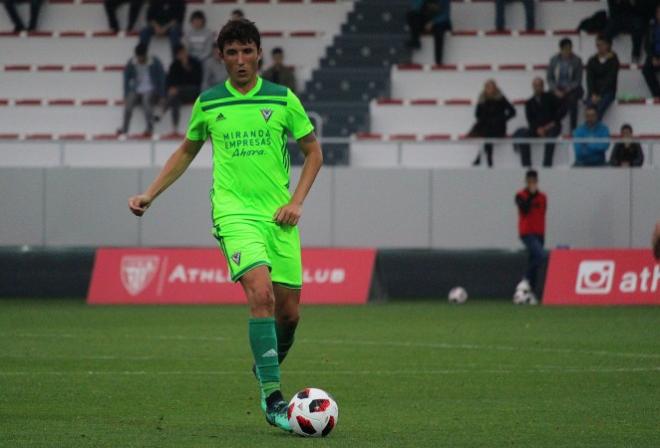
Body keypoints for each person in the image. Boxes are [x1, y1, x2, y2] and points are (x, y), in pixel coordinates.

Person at [128, 19, 323, 432]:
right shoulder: (209, 103)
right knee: (261, 293)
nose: (240, 60)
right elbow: (185, 152)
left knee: (289, 316)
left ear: (258, 52)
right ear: (221, 56)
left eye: (247, 51)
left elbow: (314, 153)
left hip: (279, 218)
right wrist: (150, 193)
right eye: (231, 53)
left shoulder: (283, 99)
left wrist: (296, 201)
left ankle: (265, 363)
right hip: (233, 214)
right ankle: (273, 400)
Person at [513, 77, 562, 167]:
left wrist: (550, 125)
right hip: (537, 129)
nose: (537, 87)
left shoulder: (551, 97)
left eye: (539, 85)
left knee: (551, 138)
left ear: (543, 86)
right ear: (532, 87)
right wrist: (538, 129)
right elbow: (530, 120)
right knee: (523, 137)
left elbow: (561, 111)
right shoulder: (529, 102)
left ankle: (547, 165)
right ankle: (527, 166)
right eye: (535, 85)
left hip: (552, 126)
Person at [119, 42, 166, 136]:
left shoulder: (155, 61)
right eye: (138, 57)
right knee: (128, 105)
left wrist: (162, 94)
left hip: (151, 89)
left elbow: (161, 78)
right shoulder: (132, 62)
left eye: (141, 57)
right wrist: (126, 94)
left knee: (146, 103)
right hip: (136, 89)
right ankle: (125, 129)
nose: (140, 59)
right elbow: (126, 78)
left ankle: (149, 128)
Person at [515, 170, 547, 301]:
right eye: (530, 181)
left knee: (535, 260)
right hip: (527, 232)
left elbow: (542, 212)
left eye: (534, 181)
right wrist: (531, 195)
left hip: (539, 232)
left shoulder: (543, 197)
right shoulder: (520, 195)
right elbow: (524, 209)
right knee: (541, 255)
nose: (532, 184)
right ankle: (525, 279)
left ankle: (530, 292)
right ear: (527, 182)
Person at [469, 79, 516, 167]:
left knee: (488, 133)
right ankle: (487, 160)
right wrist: (484, 119)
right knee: (486, 131)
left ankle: (482, 158)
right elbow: (477, 114)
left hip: (498, 126)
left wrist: (502, 119)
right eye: (487, 87)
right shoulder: (482, 99)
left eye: (491, 87)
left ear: (495, 88)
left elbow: (513, 112)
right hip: (486, 125)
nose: (489, 89)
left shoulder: (501, 98)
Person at [161, 44, 202, 134]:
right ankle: (175, 128)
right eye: (179, 54)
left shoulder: (195, 62)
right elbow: (170, 82)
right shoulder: (174, 65)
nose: (181, 55)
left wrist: (187, 67)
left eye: (182, 53)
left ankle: (162, 111)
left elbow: (197, 81)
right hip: (179, 94)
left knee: (175, 93)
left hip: (193, 91)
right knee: (174, 100)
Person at [547, 38, 584, 131]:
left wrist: (568, 89)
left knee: (572, 99)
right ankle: (553, 125)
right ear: (561, 49)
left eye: (570, 48)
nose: (568, 51)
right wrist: (555, 90)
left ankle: (573, 128)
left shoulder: (577, 60)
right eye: (566, 49)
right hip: (558, 88)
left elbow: (578, 80)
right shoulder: (553, 60)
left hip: (572, 88)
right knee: (547, 98)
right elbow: (550, 78)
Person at [585, 34, 620, 120]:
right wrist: (593, 93)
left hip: (608, 92)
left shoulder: (614, 60)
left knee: (598, 109)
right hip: (594, 92)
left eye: (601, 44)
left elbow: (610, 79)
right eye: (597, 45)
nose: (599, 47)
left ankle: (595, 131)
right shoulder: (592, 60)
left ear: (608, 45)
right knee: (589, 108)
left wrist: (600, 95)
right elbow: (590, 79)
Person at [406, 0, 451, 65]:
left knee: (439, 32)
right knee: (412, 15)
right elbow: (415, 8)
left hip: (440, 23)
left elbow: (446, 15)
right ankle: (415, 41)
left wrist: (433, 22)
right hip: (427, 20)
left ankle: (438, 60)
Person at [642, 5, 660, 99]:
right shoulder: (652, 26)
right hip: (655, 54)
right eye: (658, 12)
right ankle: (657, 95)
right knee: (646, 69)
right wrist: (652, 57)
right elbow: (647, 44)